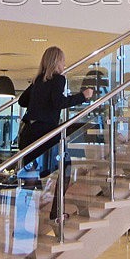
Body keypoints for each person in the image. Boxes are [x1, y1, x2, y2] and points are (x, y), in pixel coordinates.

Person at [17, 46, 93, 177]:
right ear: (56, 62)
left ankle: (34, 189)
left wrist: (39, 102)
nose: (64, 64)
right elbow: (59, 102)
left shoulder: (38, 80)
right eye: (63, 61)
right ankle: (57, 189)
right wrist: (83, 96)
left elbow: (22, 101)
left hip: (30, 131)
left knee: (32, 170)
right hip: (45, 131)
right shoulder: (58, 79)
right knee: (63, 164)